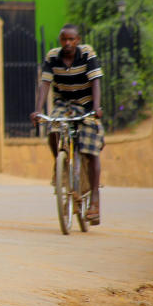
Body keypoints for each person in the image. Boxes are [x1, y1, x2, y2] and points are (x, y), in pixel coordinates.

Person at [29, 24, 104, 225]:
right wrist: (38, 110)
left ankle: (94, 200)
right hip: (64, 103)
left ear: (78, 40)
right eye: (64, 39)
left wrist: (96, 108)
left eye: (71, 39)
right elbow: (45, 83)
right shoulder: (52, 57)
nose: (67, 43)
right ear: (61, 40)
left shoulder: (87, 54)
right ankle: (60, 163)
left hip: (86, 104)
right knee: (53, 129)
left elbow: (96, 81)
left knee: (91, 148)